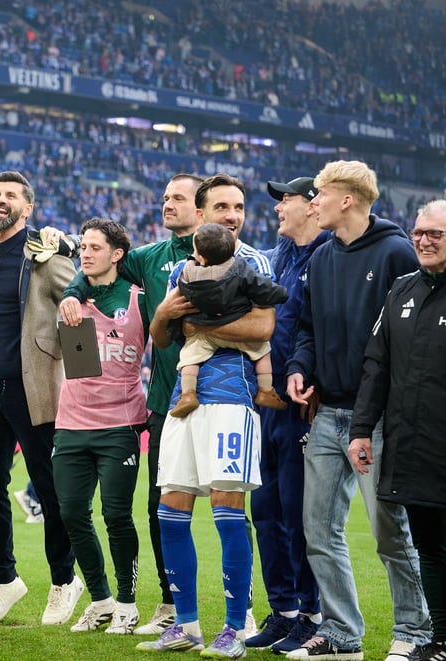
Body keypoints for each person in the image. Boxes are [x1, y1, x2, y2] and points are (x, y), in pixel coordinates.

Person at [285, 160, 430, 661]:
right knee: (318, 532)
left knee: (392, 532)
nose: (312, 202)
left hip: (382, 419)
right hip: (327, 414)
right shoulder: (321, 258)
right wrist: (300, 367)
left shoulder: (396, 252)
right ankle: (343, 636)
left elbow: (411, 337)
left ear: (346, 199)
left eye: (319, 193)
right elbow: (307, 328)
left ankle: (414, 632)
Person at [134, 173, 273, 658]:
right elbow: (164, 337)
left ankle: (236, 626)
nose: (232, 216)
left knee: (227, 510)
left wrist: (199, 321)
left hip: (231, 401)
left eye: (238, 207)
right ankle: (186, 625)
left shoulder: (252, 261)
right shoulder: (181, 268)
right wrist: (163, 314)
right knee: (170, 511)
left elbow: (264, 324)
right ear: (201, 213)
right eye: (222, 207)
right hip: (181, 401)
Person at [0, 170, 81, 625]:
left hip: (32, 388)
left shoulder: (45, 253)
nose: (1, 201)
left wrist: (84, 377)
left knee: (50, 490)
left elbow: (77, 304)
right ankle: (3, 580)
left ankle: (63, 581)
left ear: (27, 207)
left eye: (10, 196)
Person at [349, 199, 446, 661]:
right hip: (412, 443)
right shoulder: (401, 291)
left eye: (436, 235)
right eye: (419, 233)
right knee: (428, 544)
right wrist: (361, 428)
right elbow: (377, 365)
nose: (424, 241)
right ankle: (441, 641)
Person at [55, 219, 149, 633]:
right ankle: (101, 600)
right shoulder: (70, 299)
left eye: (96, 247)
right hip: (72, 422)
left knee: (116, 515)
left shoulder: (138, 299)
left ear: (117, 255)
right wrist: (72, 291)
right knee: (72, 512)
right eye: (83, 248)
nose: (86, 253)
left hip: (120, 425)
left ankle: (128, 605)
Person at [246, 177, 327, 653]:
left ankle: (313, 614)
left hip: (300, 405)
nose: (278, 208)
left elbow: (316, 329)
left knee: (298, 515)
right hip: (266, 402)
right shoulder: (278, 258)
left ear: (311, 207)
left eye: (286, 200)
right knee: (265, 510)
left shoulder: (326, 257)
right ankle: (284, 611)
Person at [168, 223, 289, 418]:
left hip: (202, 329)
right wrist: (280, 294)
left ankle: (188, 394)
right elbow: (261, 288)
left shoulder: (188, 272)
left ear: (201, 256)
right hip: (235, 325)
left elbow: (181, 298)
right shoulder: (239, 267)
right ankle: (266, 390)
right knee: (262, 350)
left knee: (189, 358)